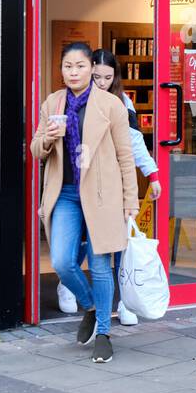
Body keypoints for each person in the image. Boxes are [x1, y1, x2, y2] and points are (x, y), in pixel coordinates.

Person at [31, 42, 138, 364]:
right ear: (61, 69)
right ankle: (91, 307)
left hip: (102, 195)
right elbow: (36, 150)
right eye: (67, 66)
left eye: (79, 66)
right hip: (65, 194)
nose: (73, 72)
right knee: (63, 261)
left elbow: (125, 155)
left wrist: (130, 199)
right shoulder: (53, 103)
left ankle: (103, 333)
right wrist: (49, 136)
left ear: (92, 68)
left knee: (102, 266)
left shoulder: (111, 105)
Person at [55, 49, 161, 322]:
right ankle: (70, 285)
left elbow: (133, 145)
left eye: (108, 77)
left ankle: (124, 304)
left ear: (116, 78)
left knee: (112, 246)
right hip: (81, 185)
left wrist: (151, 174)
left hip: (112, 185)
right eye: (98, 76)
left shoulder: (122, 103)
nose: (101, 82)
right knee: (77, 244)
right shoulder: (72, 101)